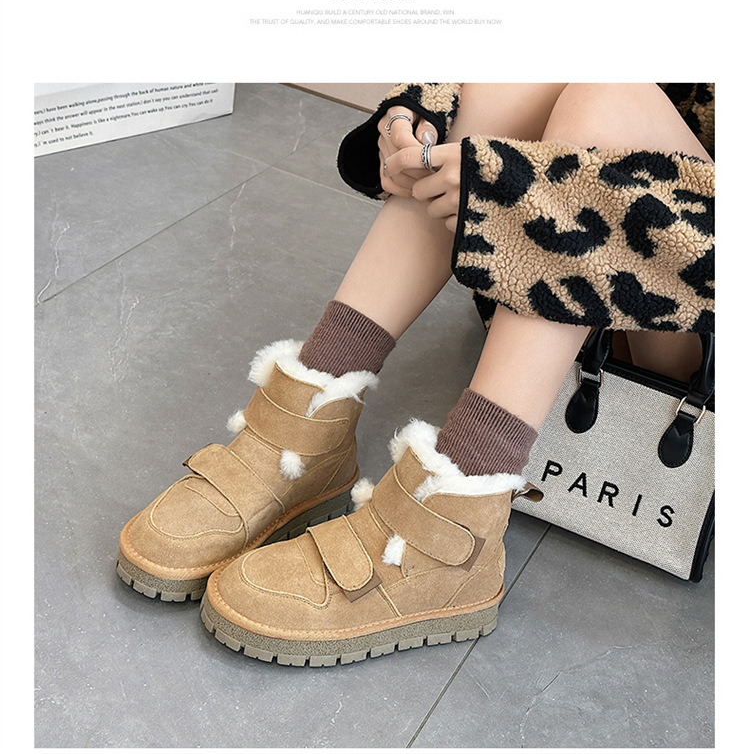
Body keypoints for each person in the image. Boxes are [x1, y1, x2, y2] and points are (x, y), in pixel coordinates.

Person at [117, 83, 715, 666]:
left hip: (694, 316)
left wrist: (529, 186)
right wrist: (421, 113)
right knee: (515, 79)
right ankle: (308, 419)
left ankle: (461, 519)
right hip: (568, 293)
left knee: (610, 105)